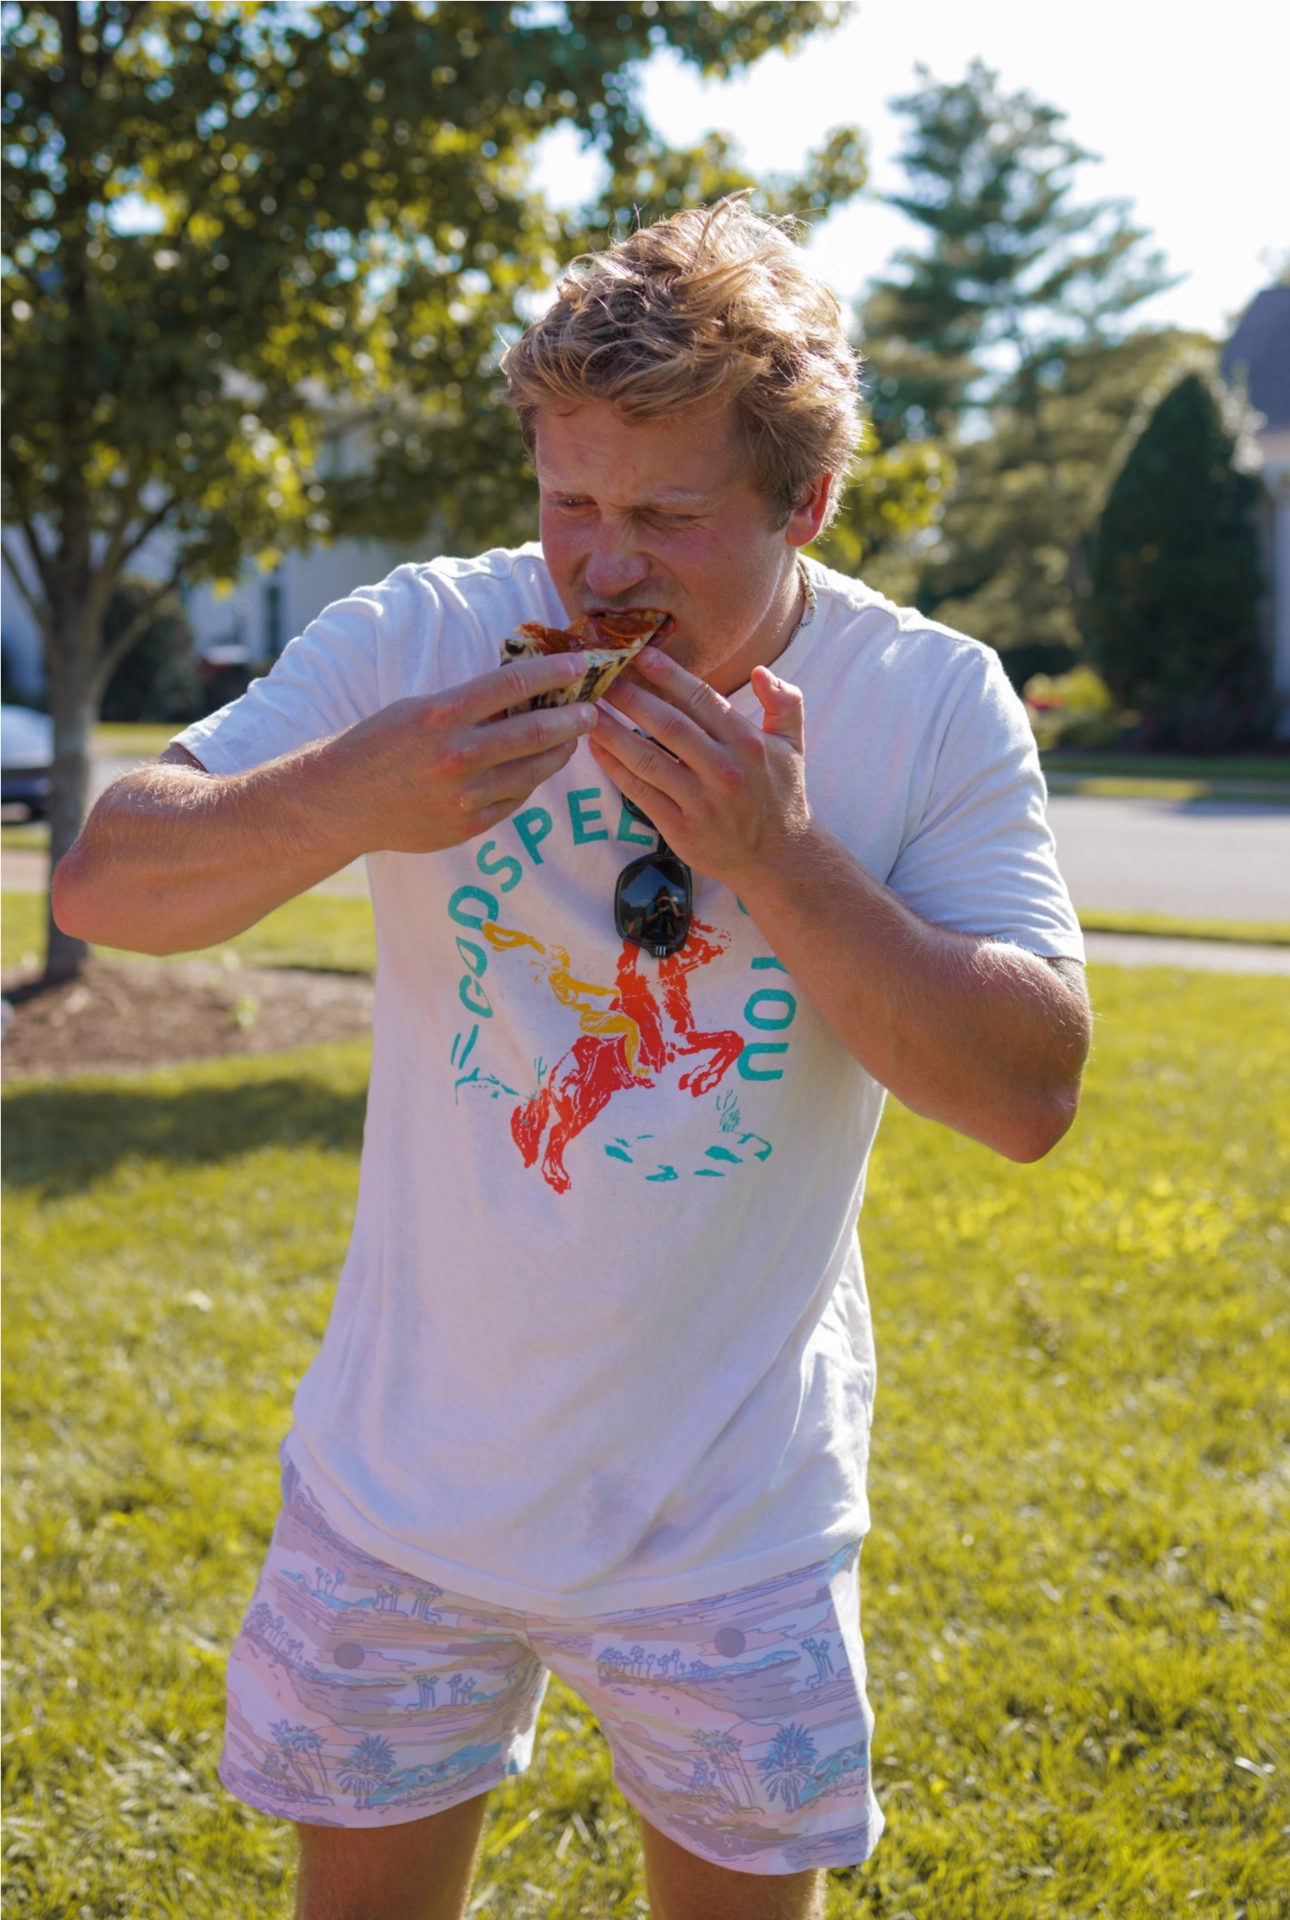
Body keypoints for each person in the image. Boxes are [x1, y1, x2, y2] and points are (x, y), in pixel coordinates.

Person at [54, 198, 1091, 1920]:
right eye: (569, 504)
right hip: (397, 1495)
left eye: (669, 518)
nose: (601, 570)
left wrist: (779, 856)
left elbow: (1025, 1092)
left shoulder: (927, 699)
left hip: (730, 1523)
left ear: (804, 504)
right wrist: (350, 793)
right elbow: (108, 883)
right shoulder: (424, 640)